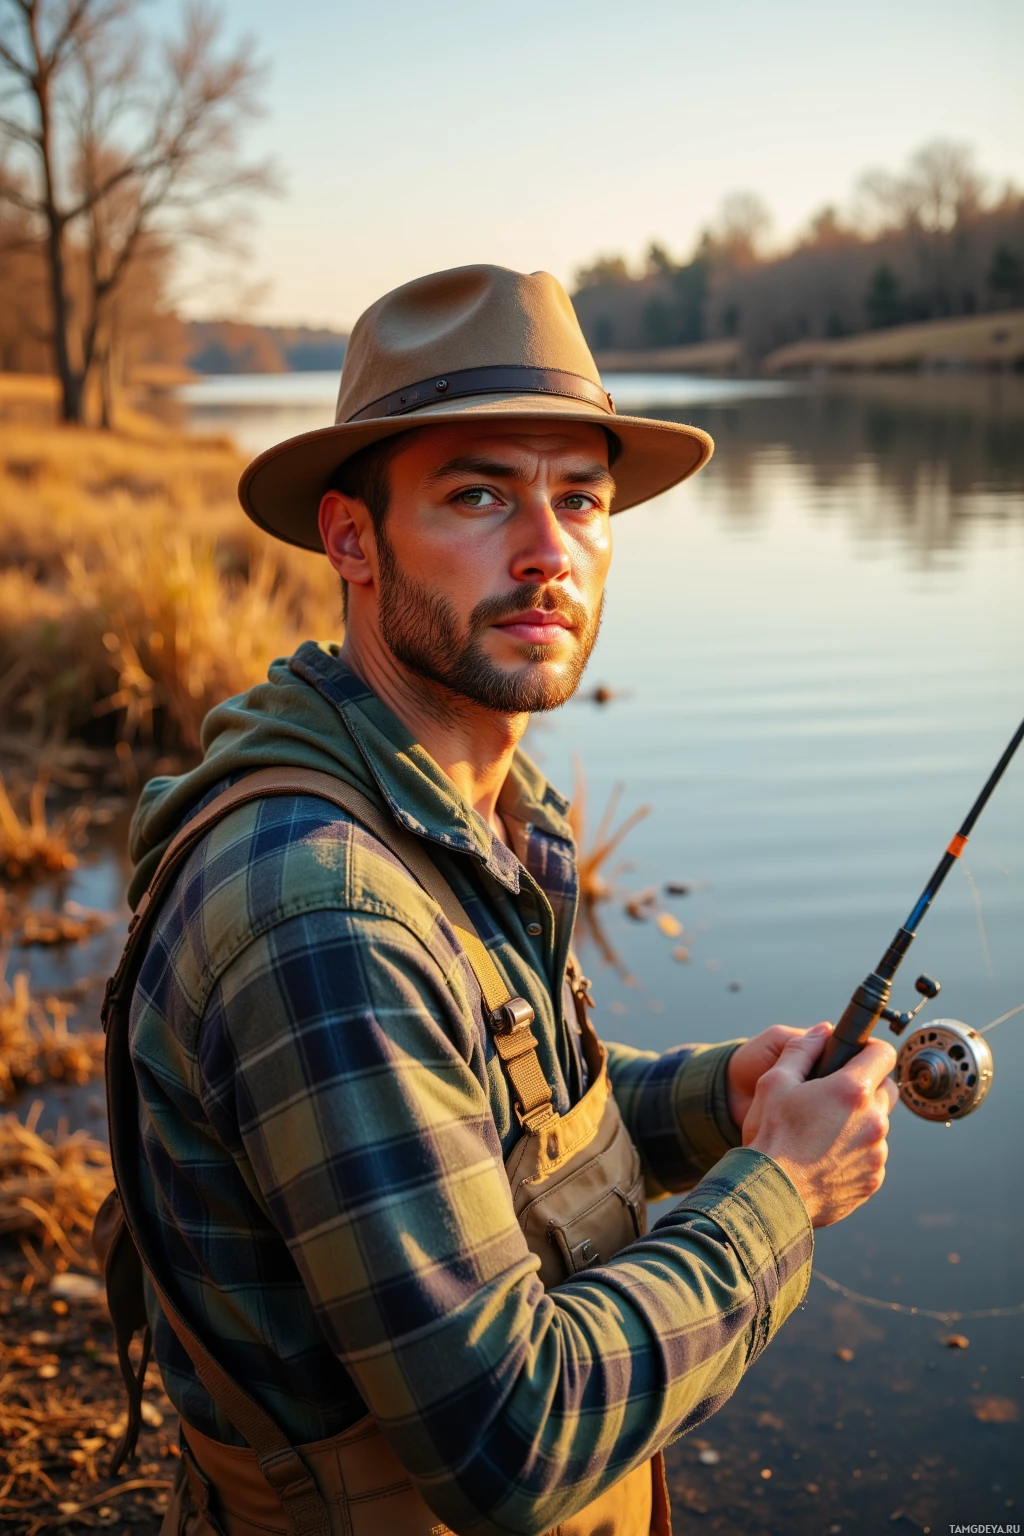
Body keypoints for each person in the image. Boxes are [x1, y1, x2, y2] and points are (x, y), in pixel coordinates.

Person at [125, 265, 897, 1536]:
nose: (548, 551)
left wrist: (725, 1097)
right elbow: (508, 1438)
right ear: (352, 538)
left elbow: (492, 1105)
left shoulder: (459, 798)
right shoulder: (324, 916)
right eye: (480, 492)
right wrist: (779, 1190)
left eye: (580, 499)